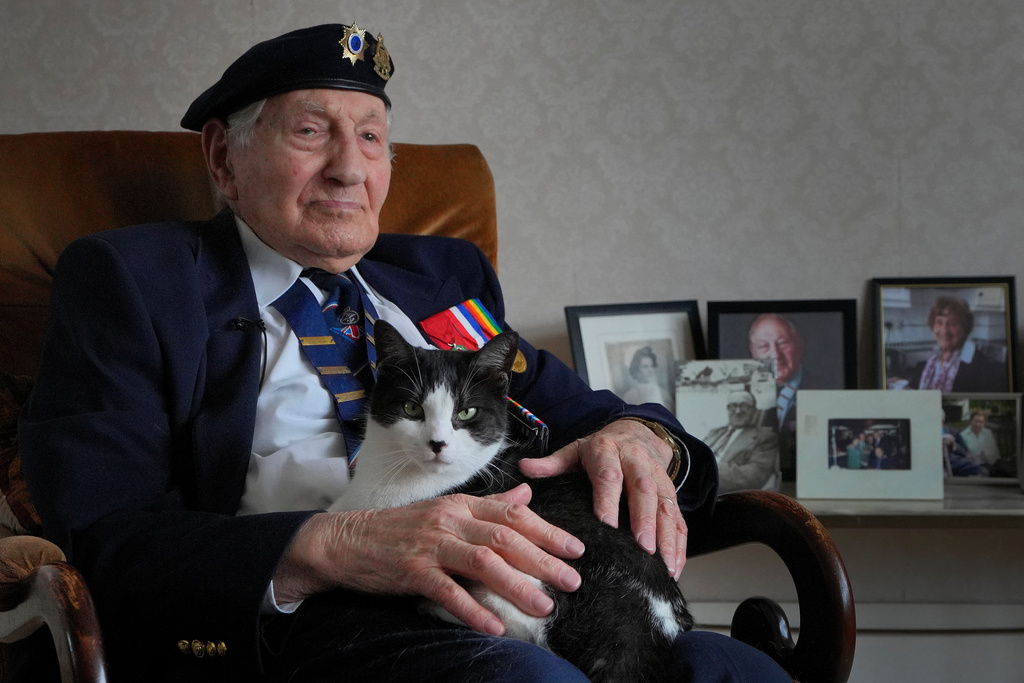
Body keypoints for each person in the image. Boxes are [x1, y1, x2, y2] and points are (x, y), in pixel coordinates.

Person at [17, 23, 789, 683]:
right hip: (300, 627)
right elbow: (104, 533)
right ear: (223, 159)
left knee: (737, 670)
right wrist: (330, 545)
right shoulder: (134, 281)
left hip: (516, 599)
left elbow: (592, 419)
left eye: (373, 137)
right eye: (312, 131)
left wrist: (642, 440)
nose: (350, 169)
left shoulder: (440, 279)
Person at [747, 313, 824, 473]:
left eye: (782, 343)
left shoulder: (825, 391)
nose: (775, 354)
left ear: (799, 345)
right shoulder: (742, 395)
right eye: (763, 346)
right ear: (753, 351)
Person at [899, 295, 1007, 391]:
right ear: (932, 325)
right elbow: (924, 386)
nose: (944, 330)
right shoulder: (934, 355)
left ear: (965, 328)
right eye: (939, 322)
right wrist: (902, 384)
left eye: (953, 323)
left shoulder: (980, 366)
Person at [701, 390, 780, 493]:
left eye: (744, 406)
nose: (738, 411)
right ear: (728, 409)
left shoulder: (765, 437)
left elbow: (752, 476)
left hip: (723, 495)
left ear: (754, 410)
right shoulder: (715, 432)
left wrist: (705, 468)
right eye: (733, 406)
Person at [622, 345, 672, 409]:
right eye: (645, 367)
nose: (650, 370)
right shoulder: (629, 396)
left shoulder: (664, 394)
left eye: (652, 366)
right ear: (636, 369)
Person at [960, 410, 1001, 475]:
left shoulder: (988, 433)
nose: (978, 424)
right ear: (971, 421)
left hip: (990, 463)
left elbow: (995, 452)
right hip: (974, 466)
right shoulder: (963, 435)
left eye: (981, 422)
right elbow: (963, 456)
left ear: (984, 423)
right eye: (975, 421)